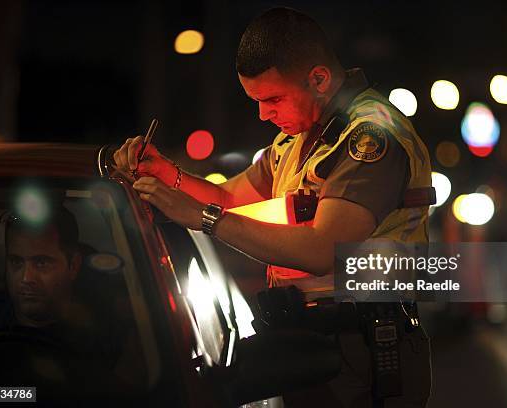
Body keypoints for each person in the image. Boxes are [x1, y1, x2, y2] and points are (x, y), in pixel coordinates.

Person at [114, 7, 433, 407]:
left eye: (273, 98)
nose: (264, 114)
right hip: (316, 341)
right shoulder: (298, 137)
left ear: (319, 78)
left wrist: (202, 218)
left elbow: (322, 250)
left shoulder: (369, 136)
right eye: (257, 101)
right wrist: (168, 175)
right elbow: (229, 197)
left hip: (364, 347)